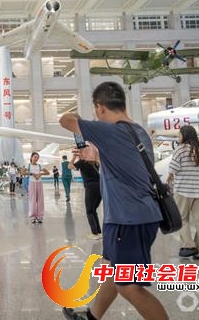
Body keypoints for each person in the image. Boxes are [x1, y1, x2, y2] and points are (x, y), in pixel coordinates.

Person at [59, 81, 168, 320]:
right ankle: (92, 316)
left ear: (100, 108)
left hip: (128, 221)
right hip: (131, 217)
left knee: (129, 287)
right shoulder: (137, 132)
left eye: (96, 110)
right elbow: (129, 169)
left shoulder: (109, 130)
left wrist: (80, 118)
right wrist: (98, 157)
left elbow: (65, 120)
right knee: (111, 270)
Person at [166, 125, 199, 261]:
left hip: (183, 190)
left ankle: (189, 245)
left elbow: (172, 170)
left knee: (182, 218)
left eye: (179, 135)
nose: (178, 137)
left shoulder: (180, 149)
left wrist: (168, 181)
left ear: (184, 136)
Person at [71, 151, 102, 240]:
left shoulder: (82, 162)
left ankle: (95, 234)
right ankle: (99, 232)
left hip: (90, 187)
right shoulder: (95, 162)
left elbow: (70, 166)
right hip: (100, 186)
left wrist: (74, 157)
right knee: (93, 210)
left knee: (89, 211)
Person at [28, 152, 49, 224]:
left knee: (40, 199)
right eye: (35, 157)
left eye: (37, 157)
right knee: (32, 200)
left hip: (39, 183)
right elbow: (22, 173)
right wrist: (32, 173)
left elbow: (48, 172)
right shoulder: (28, 166)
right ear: (31, 157)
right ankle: (33, 217)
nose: (36, 158)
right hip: (32, 183)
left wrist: (40, 173)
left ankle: (40, 216)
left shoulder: (40, 166)